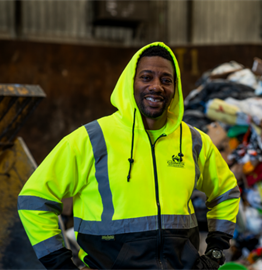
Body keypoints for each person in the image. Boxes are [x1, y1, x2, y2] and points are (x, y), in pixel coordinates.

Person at [18, 42, 240, 270]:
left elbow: (226, 191)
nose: (157, 86)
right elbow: (34, 199)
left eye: (166, 80)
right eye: (146, 77)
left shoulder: (194, 141)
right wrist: (60, 264)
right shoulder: (91, 139)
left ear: (175, 88)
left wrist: (215, 251)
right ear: (130, 83)